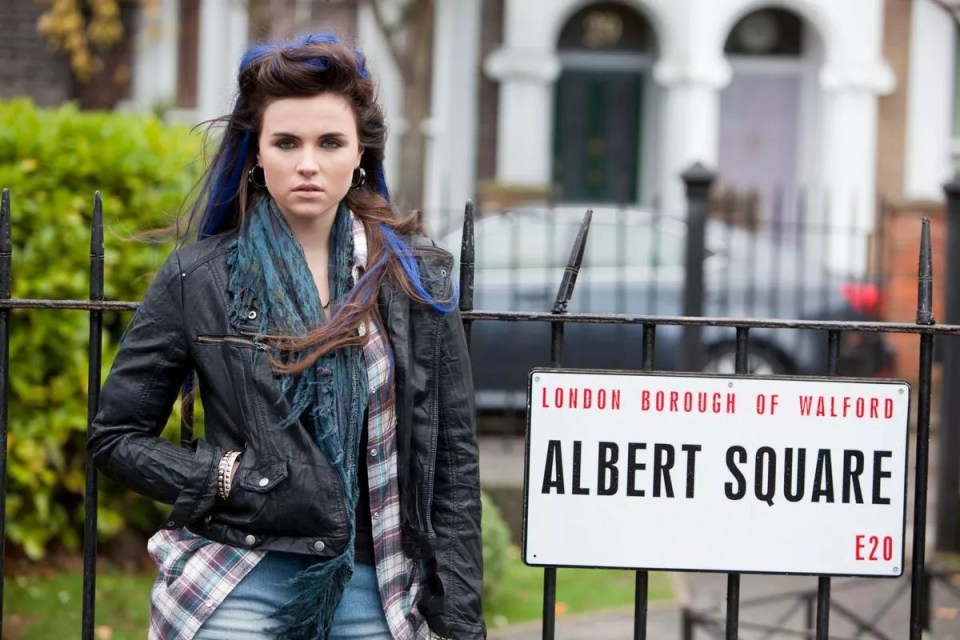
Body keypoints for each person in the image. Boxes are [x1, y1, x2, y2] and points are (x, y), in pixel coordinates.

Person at [88, 33, 485, 640]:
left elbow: (452, 469)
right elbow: (115, 436)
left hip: (380, 586)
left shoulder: (415, 281)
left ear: (359, 154)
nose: (307, 163)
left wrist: (459, 625)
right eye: (286, 142)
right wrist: (221, 475)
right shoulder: (201, 276)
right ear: (257, 154)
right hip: (238, 577)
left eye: (330, 142)